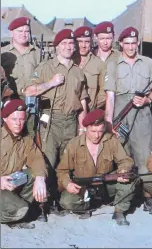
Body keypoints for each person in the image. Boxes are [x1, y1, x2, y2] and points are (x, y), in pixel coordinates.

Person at [23, 29, 88, 213]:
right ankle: (43, 204)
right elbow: (28, 91)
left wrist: (82, 127)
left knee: (67, 161)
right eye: (64, 44)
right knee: (48, 160)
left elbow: (83, 101)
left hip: (72, 121)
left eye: (71, 43)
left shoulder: (78, 72)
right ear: (57, 46)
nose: (68, 47)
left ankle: (60, 199)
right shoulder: (46, 68)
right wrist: (50, 83)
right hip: (50, 121)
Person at [104, 26, 152, 215]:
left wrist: (147, 100)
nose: (130, 47)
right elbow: (110, 96)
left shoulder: (148, 62)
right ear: (121, 44)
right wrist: (109, 122)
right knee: (122, 155)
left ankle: (148, 197)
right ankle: (123, 198)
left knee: (145, 155)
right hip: (121, 111)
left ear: (138, 43)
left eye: (133, 43)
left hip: (142, 113)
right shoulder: (113, 64)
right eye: (126, 43)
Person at [56, 109, 135, 226]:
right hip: (83, 186)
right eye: (93, 131)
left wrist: (122, 171)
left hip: (106, 184)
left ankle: (119, 210)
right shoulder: (74, 144)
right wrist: (67, 183)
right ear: (86, 128)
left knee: (129, 184)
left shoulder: (111, 140)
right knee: (66, 202)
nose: (97, 135)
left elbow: (125, 160)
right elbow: (62, 170)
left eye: (100, 131)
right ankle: (87, 206)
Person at [1, 99, 48, 229]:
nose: (18, 123)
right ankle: (18, 211)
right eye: (14, 119)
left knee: (33, 174)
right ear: (5, 118)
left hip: (11, 186)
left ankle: (19, 208)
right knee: (21, 209)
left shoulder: (26, 140)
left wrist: (40, 178)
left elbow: (37, 159)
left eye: (22, 119)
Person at [1, 17, 44, 136]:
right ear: (12, 33)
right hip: (10, 102)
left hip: (32, 103)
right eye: (20, 31)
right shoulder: (3, 53)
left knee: (30, 135)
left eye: (26, 31)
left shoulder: (37, 53)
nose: (23, 34)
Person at [73, 26, 106, 110]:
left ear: (91, 43)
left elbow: (103, 91)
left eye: (87, 42)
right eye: (80, 41)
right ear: (75, 42)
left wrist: (93, 106)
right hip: (70, 113)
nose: (83, 45)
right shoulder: (69, 61)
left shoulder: (99, 63)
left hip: (89, 112)